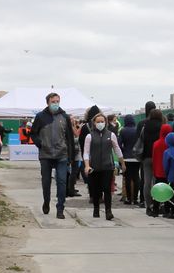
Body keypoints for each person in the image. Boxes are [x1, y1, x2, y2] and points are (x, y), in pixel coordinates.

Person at [29, 92, 76, 220]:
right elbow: (33, 134)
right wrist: (40, 144)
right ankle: (46, 201)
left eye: (57, 101)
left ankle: (60, 208)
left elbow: (70, 138)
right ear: (48, 102)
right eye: (53, 101)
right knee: (46, 181)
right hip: (46, 155)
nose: (56, 104)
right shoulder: (40, 117)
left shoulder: (64, 116)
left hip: (62, 154)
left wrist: (71, 156)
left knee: (62, 181)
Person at [83, 113, 121, 220]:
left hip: (107, 167)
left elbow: (117, 149)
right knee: (96, 189)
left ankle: (108, 211)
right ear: (94, 123)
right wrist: (87, 165)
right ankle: (96, 209)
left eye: (102, 121)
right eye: (98, 121)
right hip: (94, 167)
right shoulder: (89, 136)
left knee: (107, 189)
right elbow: (86, 152)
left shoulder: (111, 135)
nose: (100, 123)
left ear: (106, 122)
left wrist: (121, 162)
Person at [141, 107, 165, 215]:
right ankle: (158, 203)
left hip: (146, 157)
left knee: (147, 182)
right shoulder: (162, 126)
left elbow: (141, 140)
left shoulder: (145, 127)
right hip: (159, 157)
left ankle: (148, 205)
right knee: (158, 181)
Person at [150, 121, 174, 217]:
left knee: (158, 191)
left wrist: (154, 170)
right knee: (168, 192)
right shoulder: (170, 143)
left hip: (158, 171)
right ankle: (167, 210)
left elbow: (154, 158)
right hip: (168, 173)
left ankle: (155, 209)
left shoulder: (156, 144)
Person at [118, 114, 141, 205]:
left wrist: (124, 150)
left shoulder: (123, 131)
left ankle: (128, 198)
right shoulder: (137, 130)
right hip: (136, 157)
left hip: (127, 157)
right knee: (136, 178)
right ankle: (135, 199)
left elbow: (119, 144)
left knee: (127, 178)